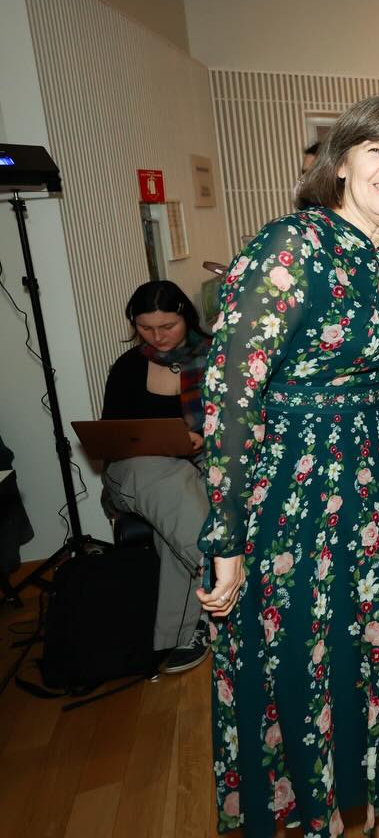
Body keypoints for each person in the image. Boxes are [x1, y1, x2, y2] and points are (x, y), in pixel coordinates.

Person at [197, 95, 379, 838]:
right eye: (378, 149)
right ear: (341, 162)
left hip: (371, 479)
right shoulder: (293, 245)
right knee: (306, 668)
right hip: (294, 491)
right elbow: (228, 391)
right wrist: (224, 535)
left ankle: (378, 816)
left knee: (374, 658)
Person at [100, 280, 212, 674]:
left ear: (186, 317)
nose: (157, 336)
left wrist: (205, 438)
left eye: (167, 326)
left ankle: (185, 632)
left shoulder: (217, 357)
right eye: (146, 328)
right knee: (170, 482)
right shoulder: (129, 367)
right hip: (138, 471)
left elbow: (242, 420)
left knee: (181, 499)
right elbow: (114, 434)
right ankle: (223, 581)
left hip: (196, 470)